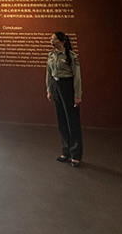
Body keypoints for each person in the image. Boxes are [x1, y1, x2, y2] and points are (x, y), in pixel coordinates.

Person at [46, 31, 82, 167]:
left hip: (67, 86)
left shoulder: (71, 56)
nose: (51, 41)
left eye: (54, 39)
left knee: (72, 121)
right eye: (51, 39)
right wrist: (49, 89)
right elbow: (49, 73)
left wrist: (77, 95)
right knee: (61, 120)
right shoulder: (51, 55)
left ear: (62, 41)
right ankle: (66, 151)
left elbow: (77, 76)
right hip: (56, 86)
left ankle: (76, 154)